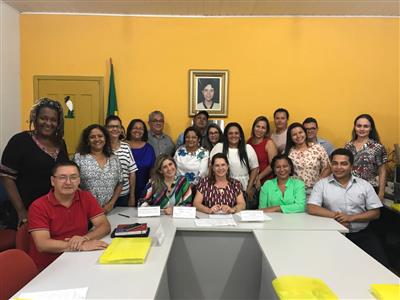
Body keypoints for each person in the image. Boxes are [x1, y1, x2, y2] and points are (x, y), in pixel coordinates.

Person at [307, 148, 388, 266]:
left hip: (361, 234)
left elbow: (375, 213)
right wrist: (337, 217)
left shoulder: (364, 185)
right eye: (335, 163)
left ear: (352, 166)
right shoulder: (322, 184)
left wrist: (350, 218)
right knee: (330, 267)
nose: (338, 167)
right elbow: (312, 207)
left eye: (344, 164)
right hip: (332, 234)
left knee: (381, 265)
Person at [28, 161, 110, 270]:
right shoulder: (38, 206)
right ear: (53, 181)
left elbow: (104, 225)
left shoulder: (85, 197)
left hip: (79, 259)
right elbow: (43, 244)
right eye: (62, 177)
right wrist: (81, 246)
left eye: (73, 177)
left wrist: (85, 238)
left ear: (79, 180)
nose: (68, 182)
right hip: (49, 266)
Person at [0, 98, 68, 229]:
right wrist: (21, 211)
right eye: (43, 118)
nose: (48, 123)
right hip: (28, 209)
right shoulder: (19, 141)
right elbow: (6, 178)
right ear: (35, 118)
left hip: (55, 209)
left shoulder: (60, 143)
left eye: (53, 120)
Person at [73, 124, 123, 213]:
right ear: (87, 140)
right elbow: (72, 183)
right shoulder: (78, 158)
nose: (97, 139)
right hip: (84, 209)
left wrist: (111, 203)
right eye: (92, 137)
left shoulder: (114, 158)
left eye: (100, 136)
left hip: (108, 210)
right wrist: (88, 203)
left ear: (105, 139)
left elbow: (120, 182)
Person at [210, 122, 259, 206]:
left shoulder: (248, 148)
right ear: (226, 136)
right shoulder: (219, 147)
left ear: (240, 135)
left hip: (244, 188)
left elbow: (255, 169)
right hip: (222, 189)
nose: (233, 136)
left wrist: (250, 187)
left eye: (236, 133)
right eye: (230, 133)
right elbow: (211, 167)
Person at [344, 114, 387, 200]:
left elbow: (382, 172)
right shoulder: (348, 146)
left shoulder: (377, 147)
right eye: (359, 126)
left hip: (370, 190)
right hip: (349, 189)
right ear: (355, 127)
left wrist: (381, 193)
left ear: (371, 128)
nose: (362, 129)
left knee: (367, 213)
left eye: (366, 126)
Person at [285, 122, 330, 195]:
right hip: (295, 191)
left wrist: (319, 183)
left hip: (315, 190)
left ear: (305, 133)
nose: (298, 136)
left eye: (300, 132)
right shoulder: (288, 152)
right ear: (291, 137)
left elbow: (327, 168)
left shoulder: (317, 148)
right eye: (294, 134)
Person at [105, 115, 138, 207]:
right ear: (106, 129)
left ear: (121, 129)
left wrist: (132, 196)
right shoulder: (101, 147)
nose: (114, 129)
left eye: (117, 126)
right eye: (111, 126)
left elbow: (132, 172)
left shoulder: (126, 147)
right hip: (105, 196)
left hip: (124, 196)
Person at [126, 119, 156, 202]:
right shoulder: (122, 146)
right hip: (124, 191)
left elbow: (152, 171)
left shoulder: (149, 148)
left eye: (141, 129)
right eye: (135, 128)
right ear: (130, 130)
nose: (138, 131)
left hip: (144, 190)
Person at [247, 116, 278, 188]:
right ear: (253, 127)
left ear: (266, 131)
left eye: (263, 128)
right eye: (258, 126)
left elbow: (273, 164)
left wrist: (258, 177)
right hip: (252, 180)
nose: (260, 130)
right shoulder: (249, 141)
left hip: (266, 181)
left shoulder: (269, 143)